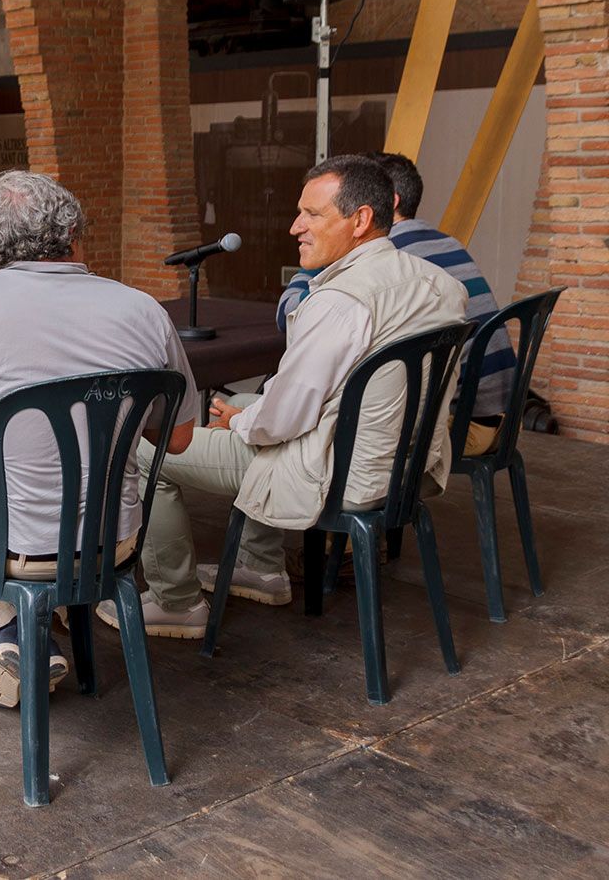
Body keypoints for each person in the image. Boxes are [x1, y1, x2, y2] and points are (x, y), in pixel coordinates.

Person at [108, 155, 467, 641]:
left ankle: (177, 602)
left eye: (312, 214)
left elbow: (281, 422)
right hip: (405, 467)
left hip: (336, 474)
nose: (295, 226)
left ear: (360, 220)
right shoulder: (441, 285)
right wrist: (253, 413)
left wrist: (238, 422)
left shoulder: (342, 301)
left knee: (147, 447)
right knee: (258, 399)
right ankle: (260, 567)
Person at [0, 170, 198, 709]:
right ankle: (29, 629)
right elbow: (175, 440)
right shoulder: (145, 310)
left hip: (4, 548)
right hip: (112, 541)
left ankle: (14, 627)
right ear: (74, 233)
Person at [277, 151, 519, 456]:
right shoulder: (447, 243)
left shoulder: (398, 261)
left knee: (313, 416)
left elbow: (295, 314)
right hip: (504, 417)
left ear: (383, 202)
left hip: (460, 425)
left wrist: (313, 266)